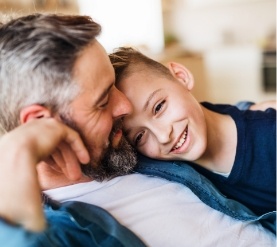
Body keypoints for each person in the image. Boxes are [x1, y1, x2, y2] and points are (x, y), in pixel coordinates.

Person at [0, 13, 275, 246]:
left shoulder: (122, 150)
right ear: (38, 122)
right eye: (104, 100)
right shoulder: (64, 230)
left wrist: (252, 111)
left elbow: (196, 118)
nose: (124, 107)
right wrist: (14, 154)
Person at [109, 47, 276, 217]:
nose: (163, 136)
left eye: (158, 107)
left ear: (181, 77)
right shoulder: (169, 175)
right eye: (140, 136)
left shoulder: (271, 133)